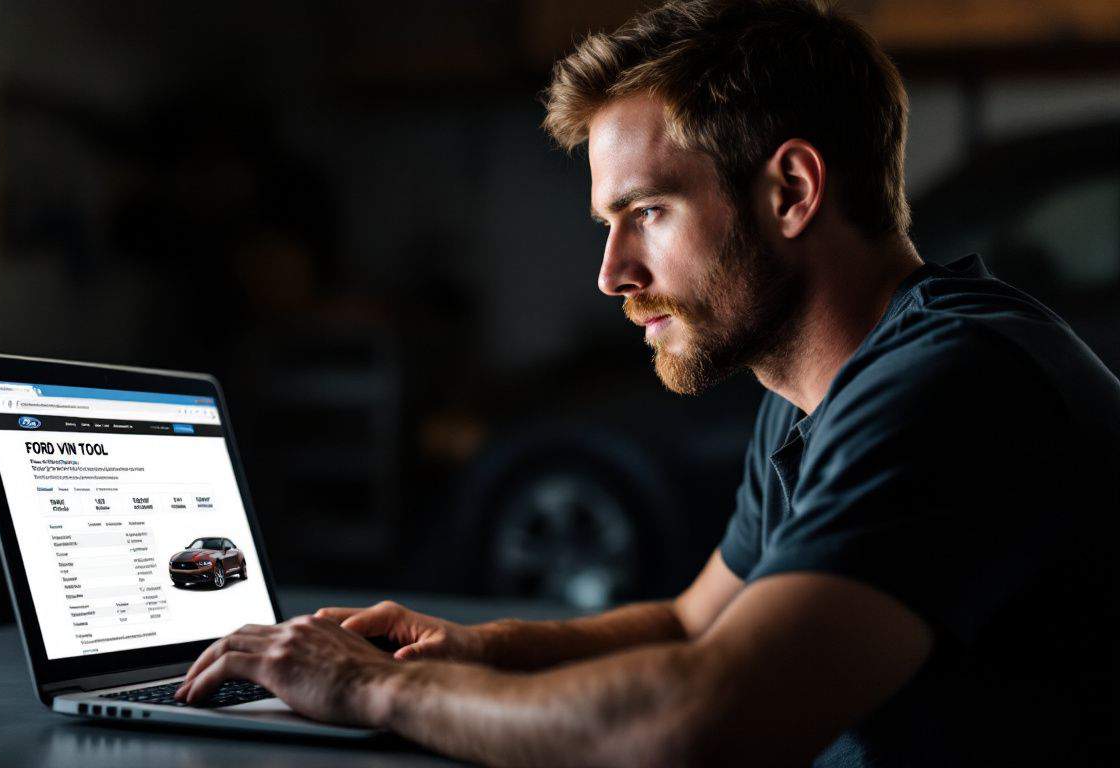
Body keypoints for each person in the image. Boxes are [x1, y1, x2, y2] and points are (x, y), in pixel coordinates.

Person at [176, 1, 1120, 764]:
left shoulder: (954, 385)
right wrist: (468, 649)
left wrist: (369, 688)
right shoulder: (815, 394)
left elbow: (697, 718)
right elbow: (687, 625)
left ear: (791, 191)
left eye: (647, 212)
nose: (612, 272)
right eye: (607, 223)